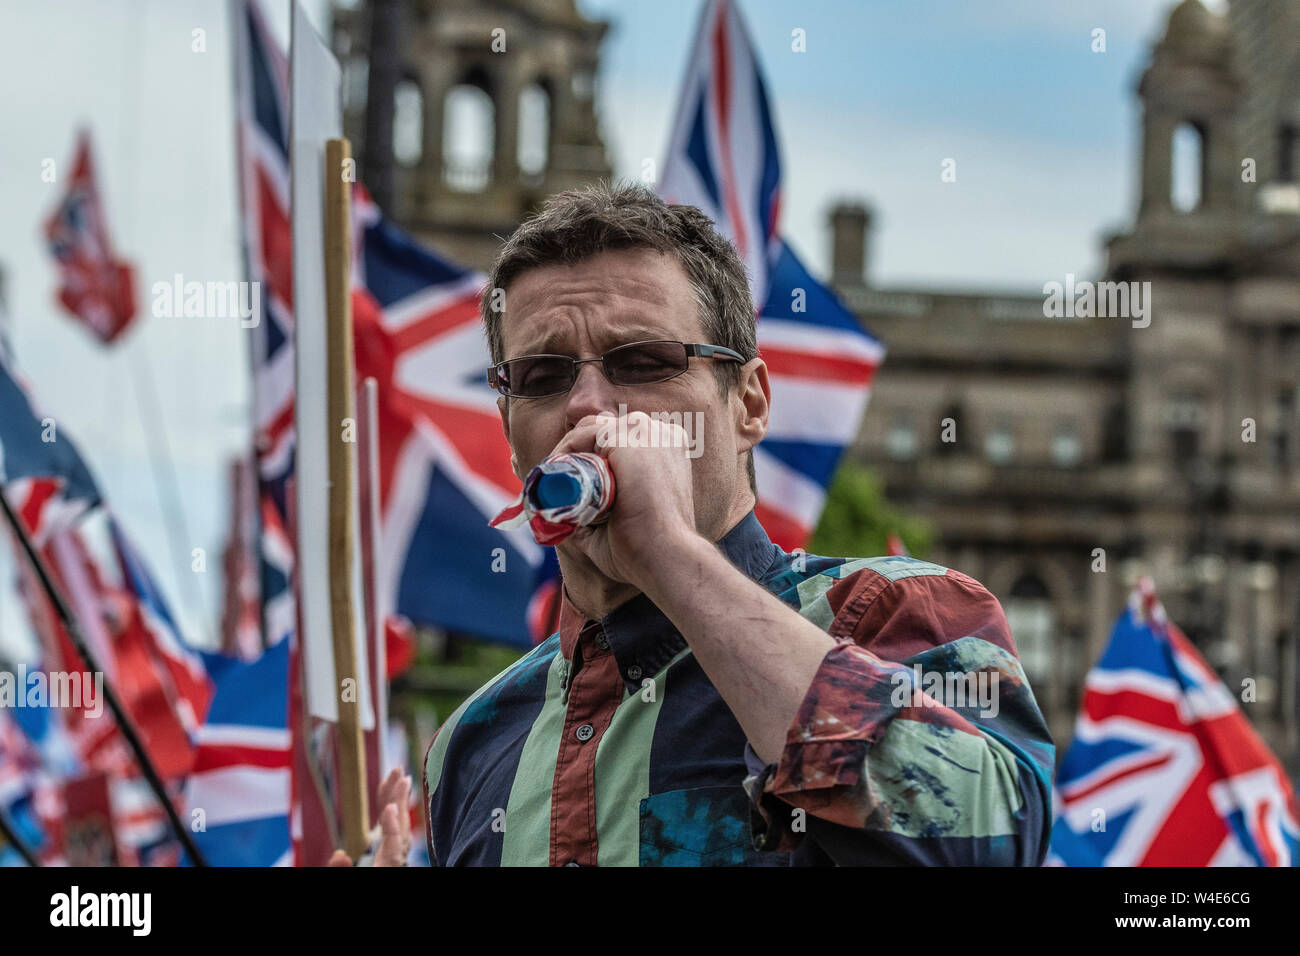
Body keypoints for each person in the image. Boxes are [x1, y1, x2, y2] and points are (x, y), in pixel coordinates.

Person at [350, 181, 1054, 867]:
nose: (589, 407)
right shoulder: (474, 740)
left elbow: (990, 842)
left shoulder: (892, 613)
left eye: (645, 363)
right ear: (510, 428)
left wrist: (669, 555)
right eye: (541, 376)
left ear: (748, 404)